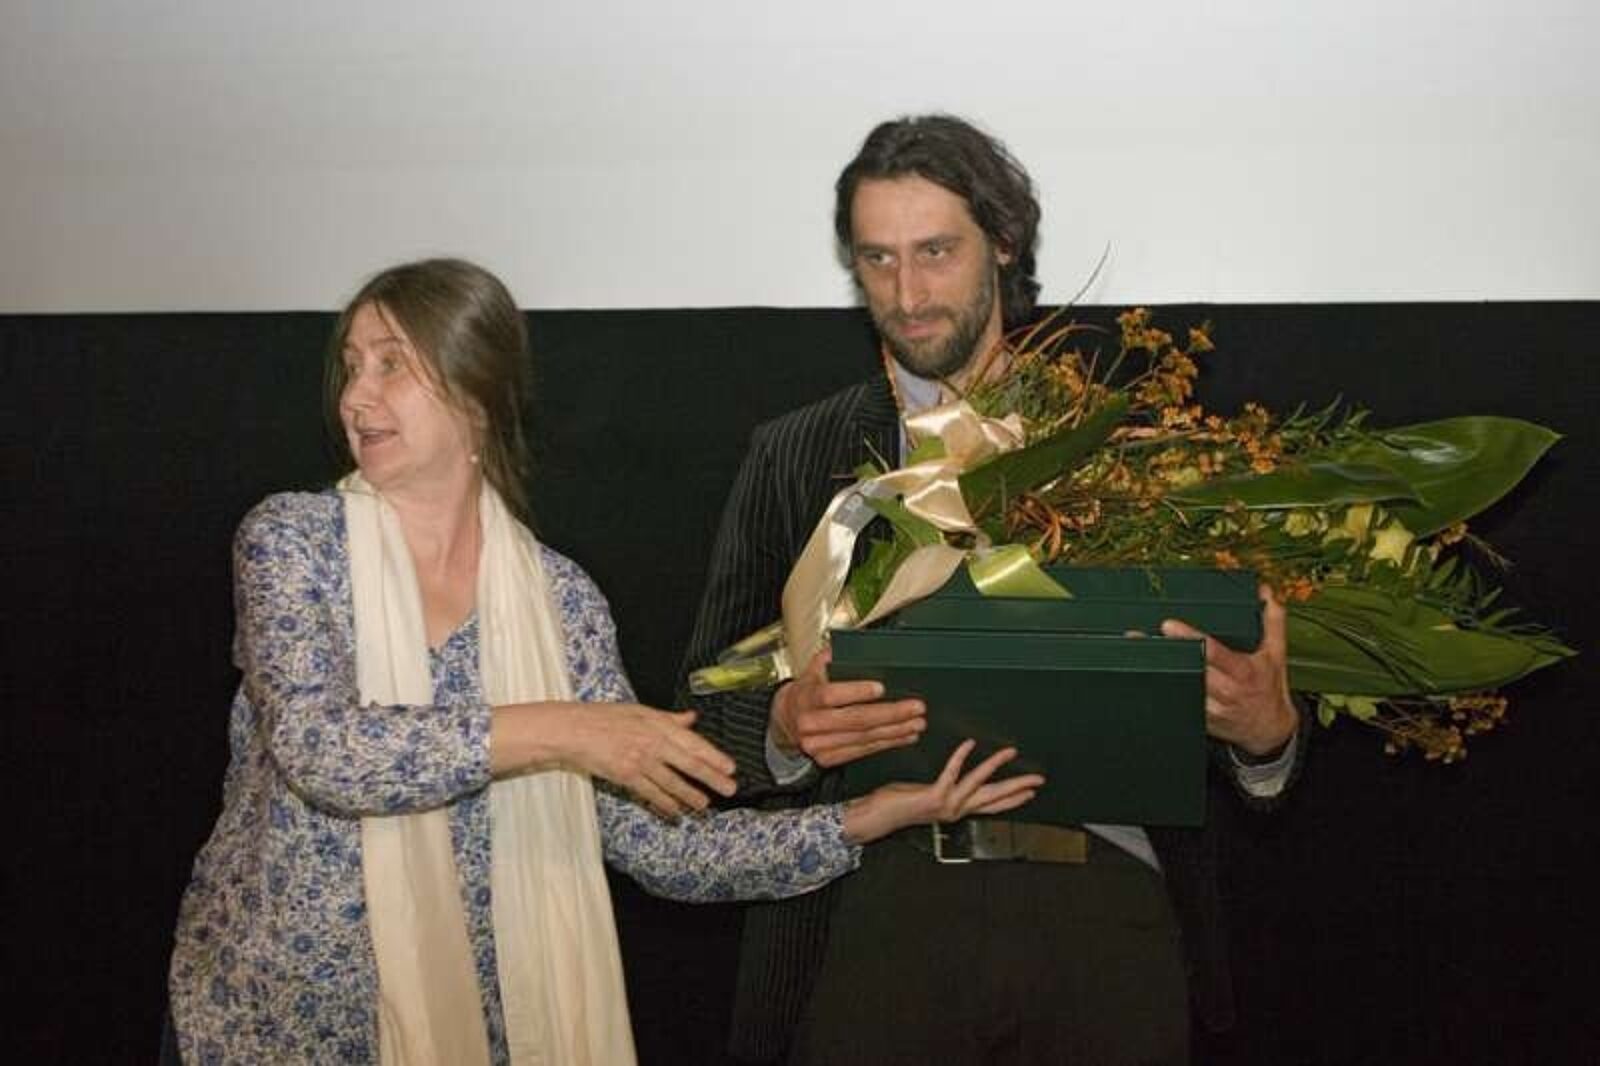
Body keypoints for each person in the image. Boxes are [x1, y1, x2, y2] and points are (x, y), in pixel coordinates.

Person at [164, 257, 1044, 1065]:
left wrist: (864, 819)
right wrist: (569, 730)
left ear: (478, 389)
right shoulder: (292, 540)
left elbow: (657, 846)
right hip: (267, 1026)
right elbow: (325, 753)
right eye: (352, 366)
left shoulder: (561, 601)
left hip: (477, 1034)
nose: (357, 396)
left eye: (391, 363)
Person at [679, 115, 1307, 1066]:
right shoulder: (794, 454)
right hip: (877, 905)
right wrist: (783, 726)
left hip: (1106, 907)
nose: (907, 293)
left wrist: (1266, 736)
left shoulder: (1128, 442)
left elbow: (1240, 706)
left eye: (936, 252)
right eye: (878, 259)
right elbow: (698, 708)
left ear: (1003, 244)